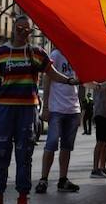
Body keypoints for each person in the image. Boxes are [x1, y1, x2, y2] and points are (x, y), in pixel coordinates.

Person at [0, 15, 78, 204]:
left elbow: (52, 72)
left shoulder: (37, 53)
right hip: (5, 110)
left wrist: (69, 81)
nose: (23, 32)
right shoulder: (1, 53)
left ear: (31, 32)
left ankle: (23, 197)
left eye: (27, 30)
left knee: (24, 154)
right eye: (20, 28)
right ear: (13, 29)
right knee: (0, 153)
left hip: (27, 110)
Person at [35, 47, 83, 193]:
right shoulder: (55, 55)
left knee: (67, 147)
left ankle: (63, 179)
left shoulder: (76, 56)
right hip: (57, 109)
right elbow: (48, 79)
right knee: (51, 144)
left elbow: (80, 83)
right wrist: (46, 107)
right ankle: (43, 179)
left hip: (73, 109)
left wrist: (81, 110)